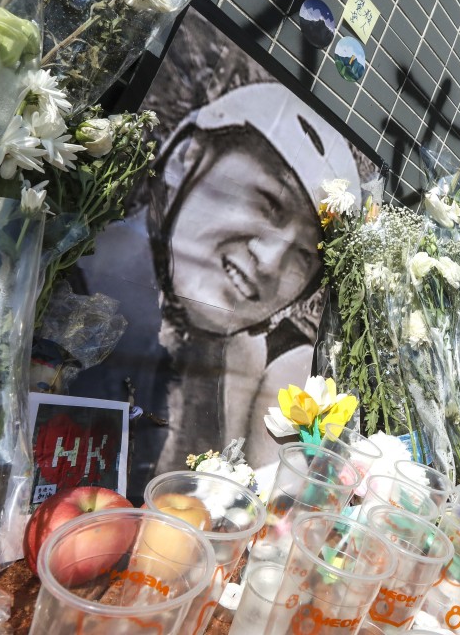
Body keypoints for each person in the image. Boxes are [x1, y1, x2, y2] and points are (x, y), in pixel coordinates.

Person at [71, 83, 362, 495]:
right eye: (266, 203)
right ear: (191, 154)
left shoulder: (242, 357)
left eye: (302, 255)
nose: (269, 260)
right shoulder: (69, 279)